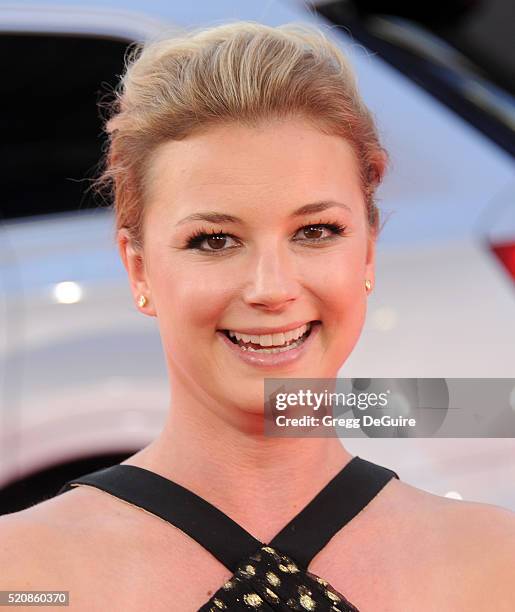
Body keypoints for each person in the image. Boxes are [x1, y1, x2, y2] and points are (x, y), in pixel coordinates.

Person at [1, 20, 514, 611]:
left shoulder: (493, 564)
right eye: (214, 240)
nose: (271, 288)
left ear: (367, 252)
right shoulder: (24, 578)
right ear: (138, 269)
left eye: (316, 231)